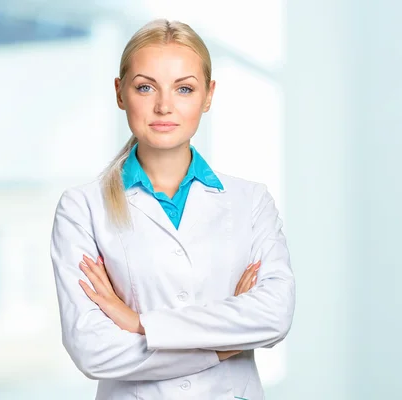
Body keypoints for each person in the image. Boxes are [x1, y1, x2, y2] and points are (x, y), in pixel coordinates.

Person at [49, 18, 295, 400]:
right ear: (120, 92)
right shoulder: (82, 209)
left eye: (184, 88)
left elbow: (273, 316)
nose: (164, 106)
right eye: (145, 87)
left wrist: (139, 324)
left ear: (208, 95)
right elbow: (93, 351)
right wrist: (222, 346)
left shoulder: (251, 202)